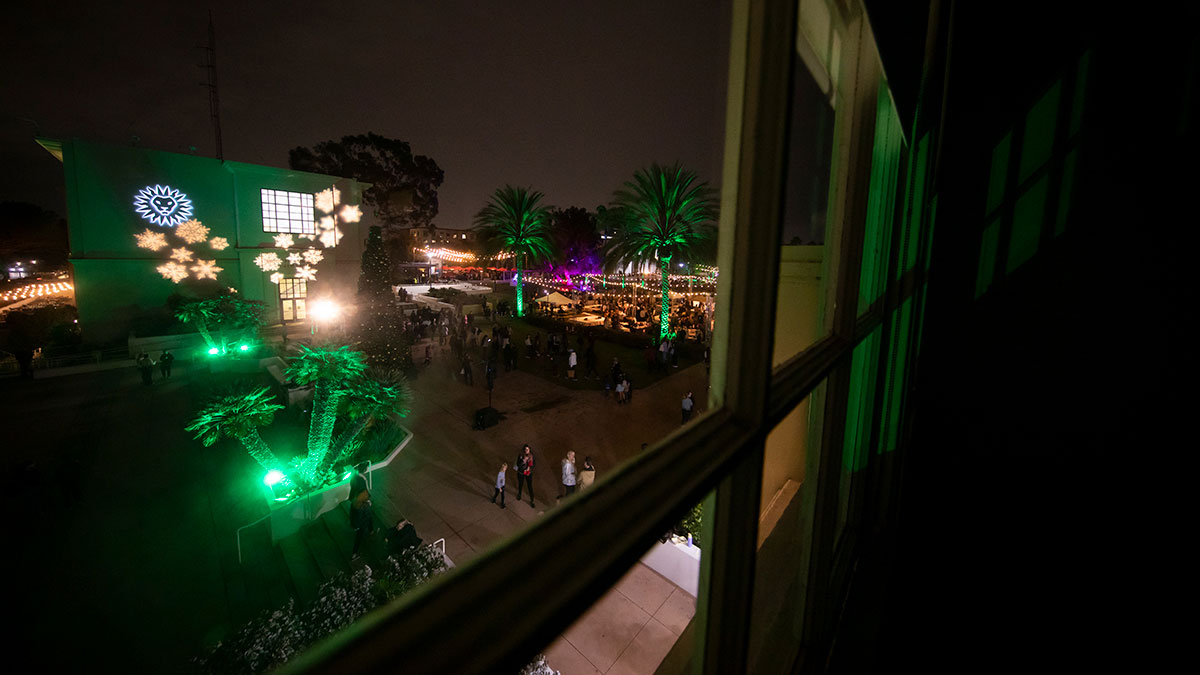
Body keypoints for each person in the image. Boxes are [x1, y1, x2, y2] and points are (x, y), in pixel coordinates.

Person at [349, 461, 373, 558]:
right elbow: (364, 493)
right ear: (365, 470)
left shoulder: (354, 477)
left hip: (355, 504)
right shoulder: (362, 482)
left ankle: (371, 529)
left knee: (368, 515)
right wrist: (367, 501)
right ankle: (354, 553)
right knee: (361, 531)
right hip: (361, 508)